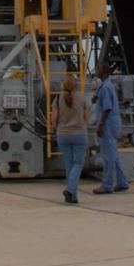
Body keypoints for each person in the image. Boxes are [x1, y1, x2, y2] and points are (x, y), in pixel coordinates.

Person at [92, 62, 129, 194]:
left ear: (103, 72)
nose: (95, 71)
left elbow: (107, 108)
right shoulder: (107, 86)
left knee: (108, 156)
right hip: (113, 123)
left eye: (97, 68)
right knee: (114, 155)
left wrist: (100, 125)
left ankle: (107, 184)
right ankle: (121, 181)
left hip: (107, 125)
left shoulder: (105, 88)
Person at [52, 73, 88, 204]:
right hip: (79, 134)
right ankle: (70, 189)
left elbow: (53, 119)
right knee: (78, 164)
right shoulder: (82, 98)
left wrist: (55, 129)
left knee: (69, 165)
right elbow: (86, 119)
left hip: (63, 134)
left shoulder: (57, 99)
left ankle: (73, 196)